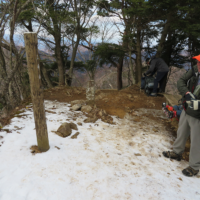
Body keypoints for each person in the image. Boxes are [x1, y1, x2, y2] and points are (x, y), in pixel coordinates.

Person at [162, 55, 200, 177]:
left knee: (196, 141)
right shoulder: (195, 70)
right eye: (198, 62)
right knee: (181, 132)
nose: (198, 64)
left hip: (198, 114)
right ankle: (177, 152)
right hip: (186, 107)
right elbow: (181, 81)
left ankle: (194, 167)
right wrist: (187, 93)